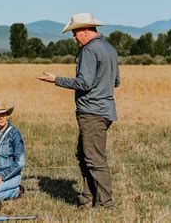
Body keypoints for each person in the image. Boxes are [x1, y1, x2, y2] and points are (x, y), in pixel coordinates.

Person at [37, 13, 120, 209]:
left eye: (75, 33)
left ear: (84, 30)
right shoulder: (109, 48)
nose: (74, 37)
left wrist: (55, 79)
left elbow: (84, 82)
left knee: (93, 159)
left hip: (92, 112)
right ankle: (88, 199)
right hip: (105, 110)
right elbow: (116, 81)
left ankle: (104, 205)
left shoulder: (89, 50)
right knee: (85, 155)